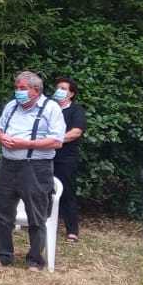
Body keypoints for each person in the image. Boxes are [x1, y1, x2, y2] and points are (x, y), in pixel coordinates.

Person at [0, 71, 65, 269]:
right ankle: (3, 255)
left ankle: (35, 259)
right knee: (2, 211)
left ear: (36, 90)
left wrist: (27, 143)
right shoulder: (11, 106)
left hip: (36, 167)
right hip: (8, 164)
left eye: (22, 88)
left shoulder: (51, 108)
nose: (18, 92)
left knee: (36, 213)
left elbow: (57, 141)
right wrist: (1, 137)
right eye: (16, 88)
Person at [51, 76, 85, 240]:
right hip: (45, 156)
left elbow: (76, 132)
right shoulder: (49, 108)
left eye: (63, 89)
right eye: (58, 88)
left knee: (67, 192)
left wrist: (55, 140)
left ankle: (72, 230)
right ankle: (42, 223)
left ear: (71, 94)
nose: (59, 91)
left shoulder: (76, 110)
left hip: (65, 158)